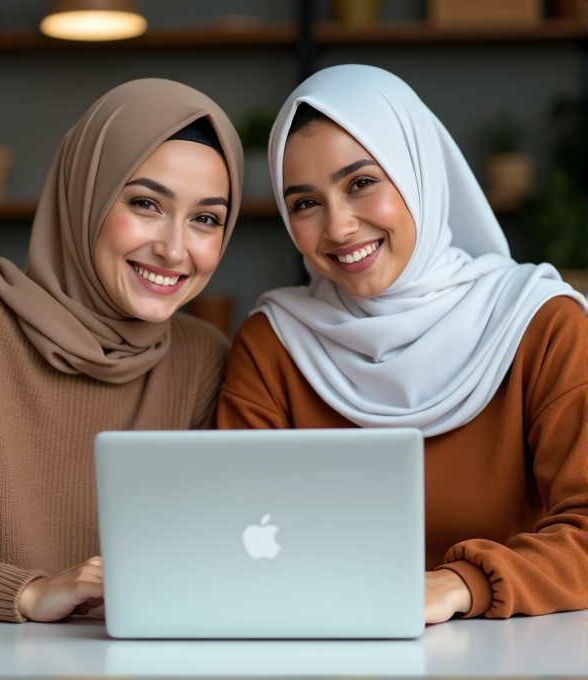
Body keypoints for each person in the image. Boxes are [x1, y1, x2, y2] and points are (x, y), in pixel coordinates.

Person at [218, 65, 588, 624]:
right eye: (304, 203)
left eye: (361, 183)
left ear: (418, 173)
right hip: (328, 649)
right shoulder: (272, 344)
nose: (338, 227)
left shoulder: (540, 326)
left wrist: (459, 586)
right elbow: (231, 538)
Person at [0, 78, 242, 623]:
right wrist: (25, 592)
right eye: (145, 203)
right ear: (82, 195)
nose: (175, 248)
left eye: (206, 218)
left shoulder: (202, 358)